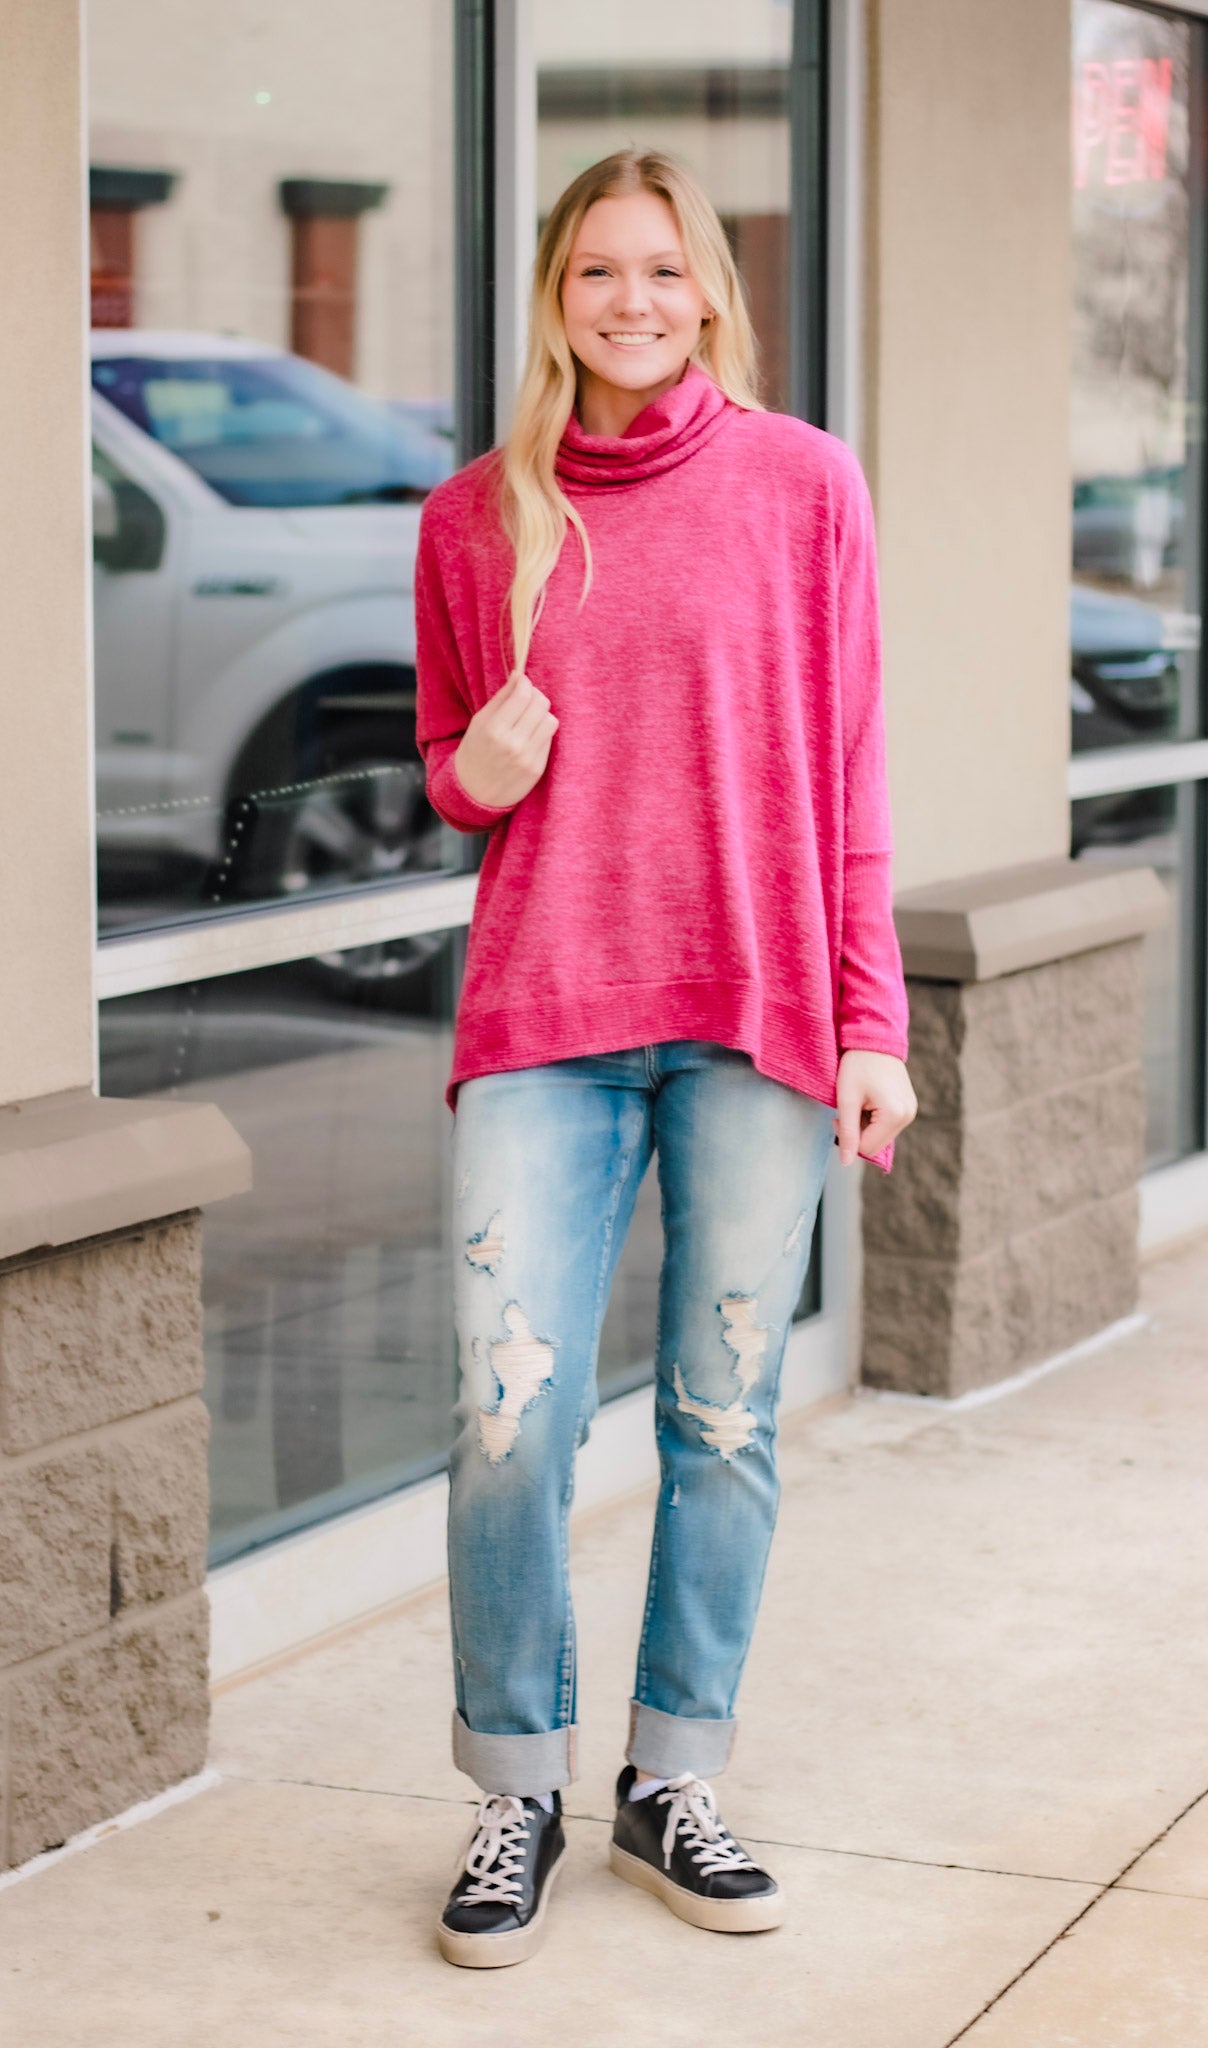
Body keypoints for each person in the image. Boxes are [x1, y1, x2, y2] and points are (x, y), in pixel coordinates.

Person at [415, 147, 916, 1969]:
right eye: (596, 272)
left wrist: (873, 1020)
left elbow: (849, 771)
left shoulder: (804, 484)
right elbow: (450, 773)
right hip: (545, 1016)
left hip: (757, 1015)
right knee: (507, 1419)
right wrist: (485, 767)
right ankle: (516, 1791)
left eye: (661, 269)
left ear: (709, 288)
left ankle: (671, 1779)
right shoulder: (477, 518)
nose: (630, 300)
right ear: (556, 298)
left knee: (722, 1417)